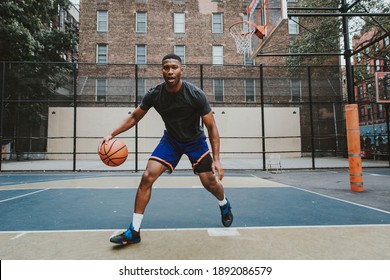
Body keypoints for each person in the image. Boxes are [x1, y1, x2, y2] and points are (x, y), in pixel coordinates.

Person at [101, 53, 233, 245]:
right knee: (147, 176)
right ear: (162, 70)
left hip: (195, 141)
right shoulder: (155, 94)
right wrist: (112, 134)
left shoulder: (195, 95)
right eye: (166, 67)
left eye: (174, 67)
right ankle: (134, 231)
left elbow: (212, 127)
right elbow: (134, 117)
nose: (170, 71)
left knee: (210, 183)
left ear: (181, 70)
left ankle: (224, 204)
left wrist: (217, 159)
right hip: (171, 140)